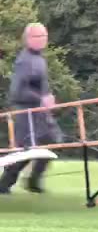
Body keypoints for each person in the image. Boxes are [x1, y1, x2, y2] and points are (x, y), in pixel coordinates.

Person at [0, 23, 62, 194]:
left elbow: (40, 87)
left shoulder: (39, 59)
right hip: (26, 112)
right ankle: (5, 183)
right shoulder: (24, 60)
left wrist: (47, 98)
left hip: (39, 112)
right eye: (38, 37)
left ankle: (33, 180)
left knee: (52, 140)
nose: (42, 40)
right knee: (27, 149)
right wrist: (41, 99)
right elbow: (17, 91)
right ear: (27, 39)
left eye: (44, 36)